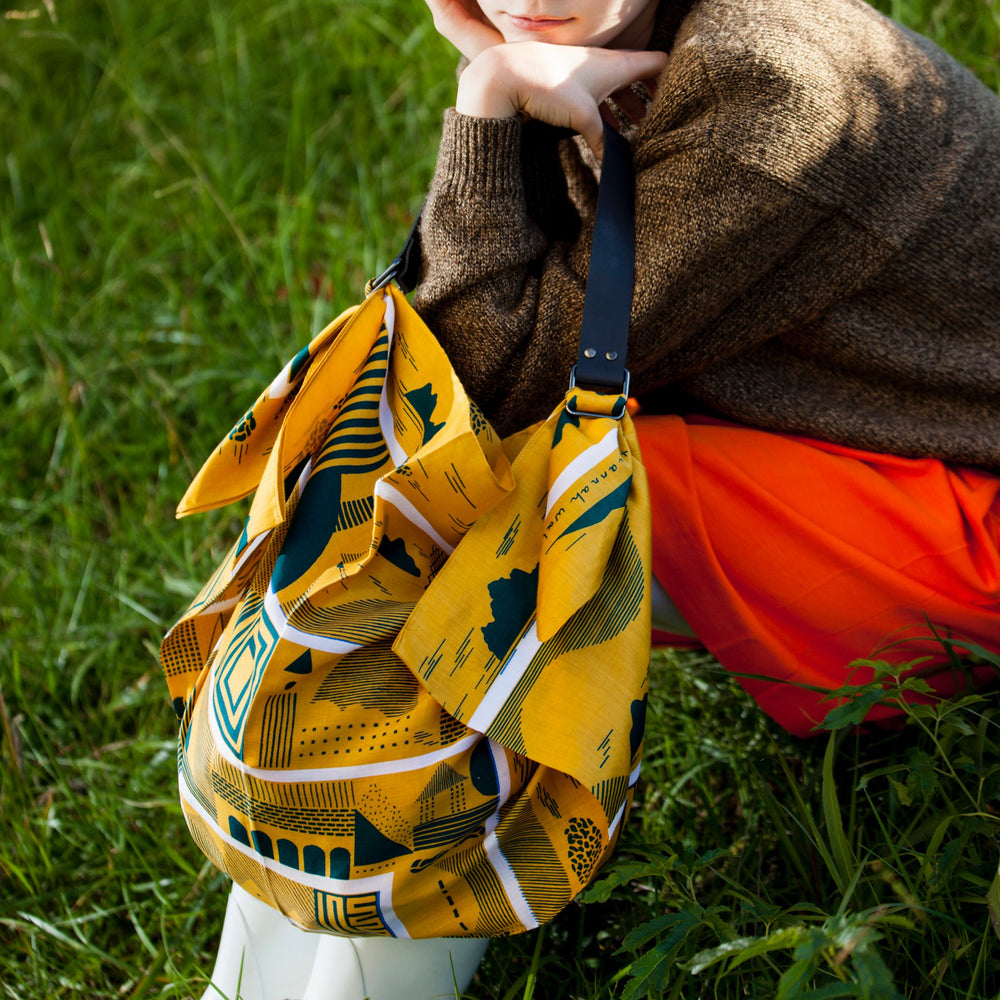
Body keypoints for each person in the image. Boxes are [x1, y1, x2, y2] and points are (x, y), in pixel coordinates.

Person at [200, 0, 1000, 996]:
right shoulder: (626, 41)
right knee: (450, 509)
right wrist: (519, 85)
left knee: (501, 527)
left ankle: (376, 940)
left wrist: (490, 102)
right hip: (861, 453)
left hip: (968, 520)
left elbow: (479, 387)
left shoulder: (762, 91)